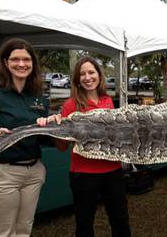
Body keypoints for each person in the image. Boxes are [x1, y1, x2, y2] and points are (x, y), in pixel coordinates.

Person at [0, 38, 59, 237]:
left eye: (26, 59)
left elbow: (41, 137)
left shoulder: (38, 98)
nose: (21, 64)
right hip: (1, 174)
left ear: (32, 63)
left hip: (33, 172)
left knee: (24, 230)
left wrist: (54, 127)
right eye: (15, 59)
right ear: (5, 63)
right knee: (2, 233)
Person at [56, 56, 131, 237]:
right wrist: (56, 129)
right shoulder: (70, 105)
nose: (87, 77)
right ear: (77, 80)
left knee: (120, 220)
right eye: (82, 74)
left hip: (113, 171)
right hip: (84, 174)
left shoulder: (108, 101)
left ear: (99, 75)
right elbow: (61, 147)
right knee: (84, 224)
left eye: (91, 72)